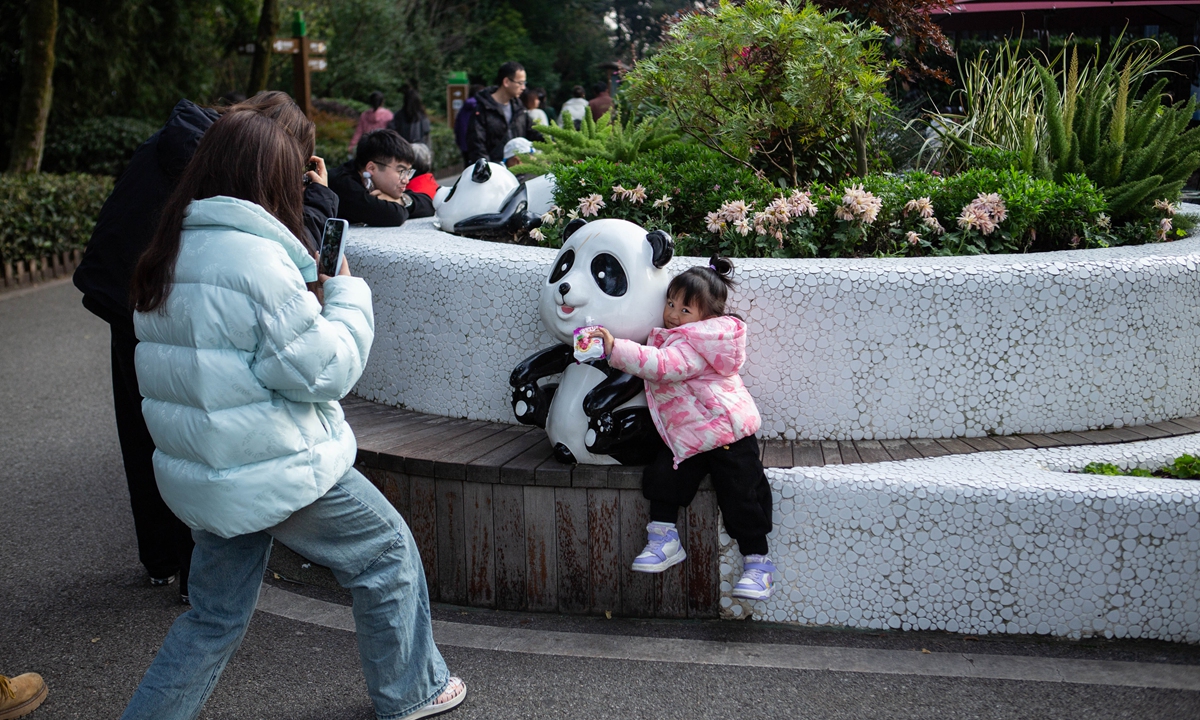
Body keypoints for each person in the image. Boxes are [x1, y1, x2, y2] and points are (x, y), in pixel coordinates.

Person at [120, 110, 465, 720]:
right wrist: (348, 293)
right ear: (270, 178)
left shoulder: (169, 250)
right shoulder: (258, 262)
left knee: (214, 618)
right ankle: (412, 689)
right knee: (386, 555)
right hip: (276, 463)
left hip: (212, 470)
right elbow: (321, 371)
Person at [72, 91, 340, 605]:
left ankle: (161, 559)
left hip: (128, 291)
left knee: (146, 424)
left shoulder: (177, 137)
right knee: (197, 430)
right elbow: (290, 241)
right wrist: (319, 197)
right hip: (181, 302)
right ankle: (201, 578)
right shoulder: (236, 163)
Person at [585, 256, 776, 601]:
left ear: (708, 318)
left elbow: (662, 366)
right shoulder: (681, 335)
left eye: (685, 310)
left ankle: (758, 564)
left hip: (728, 433)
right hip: (691, 434)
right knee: (663, 475)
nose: (673, 314)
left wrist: (615, 348)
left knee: (742, 495)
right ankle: (663, 539)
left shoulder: (695, 343)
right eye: (670, 303)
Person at [328, 129, 433, 226]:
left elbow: (429, 204)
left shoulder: (371, 181)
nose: (406, 180)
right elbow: (394, 216)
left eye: (408, 172)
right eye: (401, 171)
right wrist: (394, 204)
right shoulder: (342, 185)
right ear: (371, 168)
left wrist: (400, 201)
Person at [465, 61, 543, 163]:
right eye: (520, 83)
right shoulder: (482, 109)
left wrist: (556, 142)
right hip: (495, 172)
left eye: (524, 83)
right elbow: (477, 145)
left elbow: (534, 131)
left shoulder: (519, 108)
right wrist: (488, 170)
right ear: (506, 82)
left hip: (519, 170)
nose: (523, 87)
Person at [454, 84, 484, 164]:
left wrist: (459, 142)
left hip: (464, 144)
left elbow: (457, 126)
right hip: (478, 145)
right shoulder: (482, 107)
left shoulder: (464, 108)